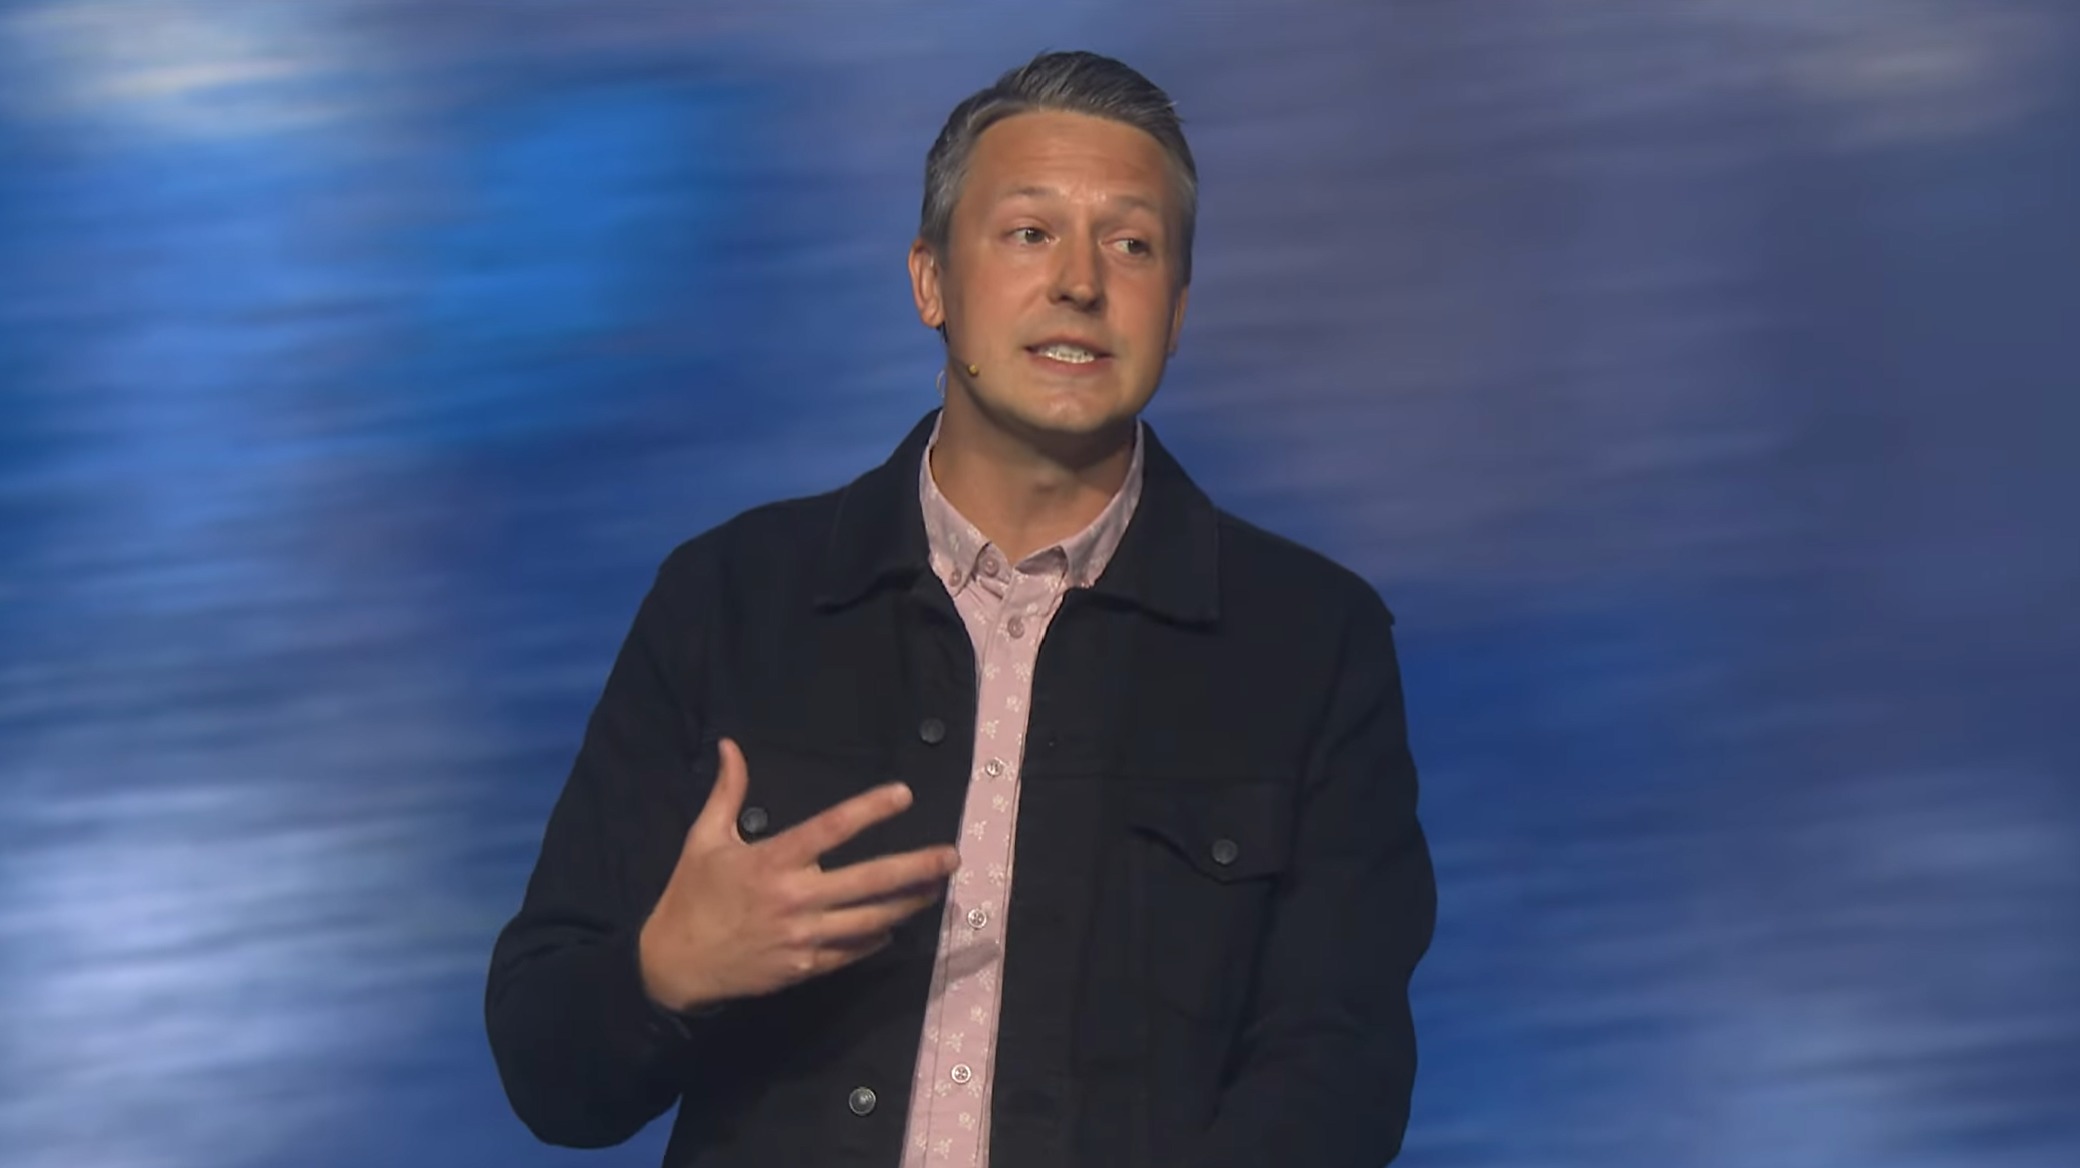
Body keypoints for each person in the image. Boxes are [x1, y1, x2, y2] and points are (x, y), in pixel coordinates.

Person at [485, 49, 1436, 1168]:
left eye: (1130, 245)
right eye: (1029, 232)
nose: (1080, 282)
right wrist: (666, 971)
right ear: (930, 280)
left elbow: (1338, 1075)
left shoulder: (1311, 645)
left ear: (1176, 312)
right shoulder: (731, 599)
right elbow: (547, 1068)